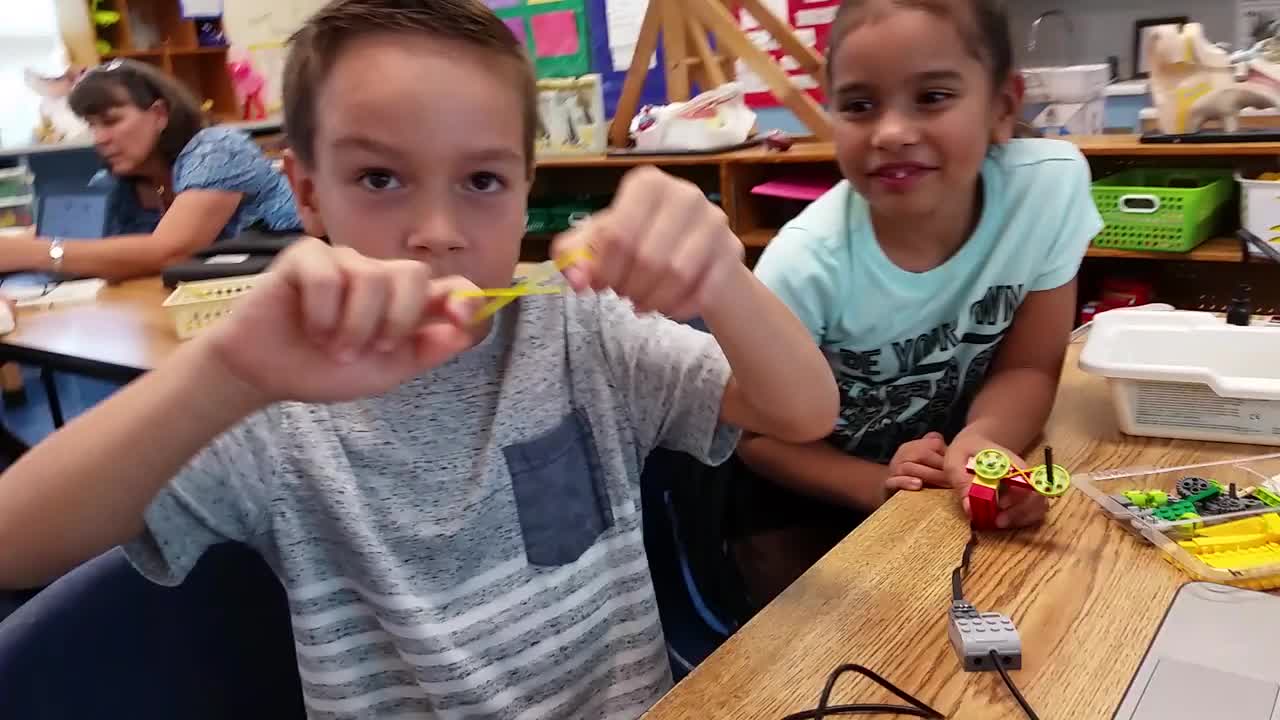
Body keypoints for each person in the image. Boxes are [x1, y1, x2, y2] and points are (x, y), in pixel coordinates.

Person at [0, 1, 838, 719]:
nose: (436, 232)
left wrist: (722, 276)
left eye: (482, 181)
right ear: (308, 191)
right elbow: (14, 543)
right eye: (379, 178)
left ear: (527, 188)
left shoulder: (584, 333)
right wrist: (227, 373)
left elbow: (803, 411)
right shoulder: (275, 402)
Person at [730, 0, 1104, 604]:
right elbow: (755, 440)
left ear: (1002, 106)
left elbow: (1030, 366)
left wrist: (986, 439)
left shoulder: (1047, 190)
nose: (892, 133)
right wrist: (879, 484)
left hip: (939, 486)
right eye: (859, 105)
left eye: (932, 97)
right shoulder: (803, 264)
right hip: (809, 498)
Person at [1, 60, 300, 282]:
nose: (99, 138)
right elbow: (59, 234)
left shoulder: (218, 150)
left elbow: (170, 251)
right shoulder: (114, 182)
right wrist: (20, 245)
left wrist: (36, 252)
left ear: (159, 114)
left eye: (111, 121)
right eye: (92, 125)